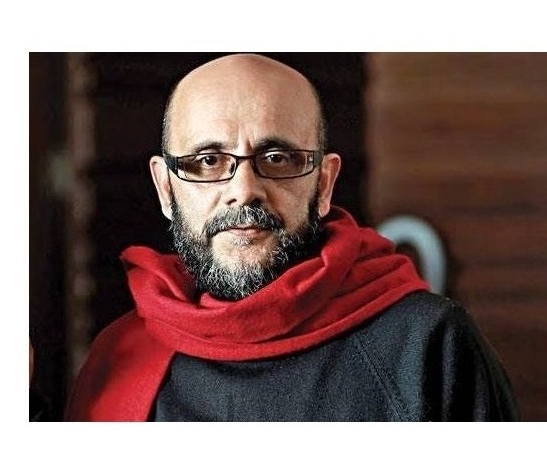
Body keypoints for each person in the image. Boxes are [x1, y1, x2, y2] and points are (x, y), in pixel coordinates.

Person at [61, 53, 520, 421]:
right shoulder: (118, 355)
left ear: (324, 184)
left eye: (277, 158)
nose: (243, 190)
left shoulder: (429, 345)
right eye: (208, 161)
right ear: (165, 188)